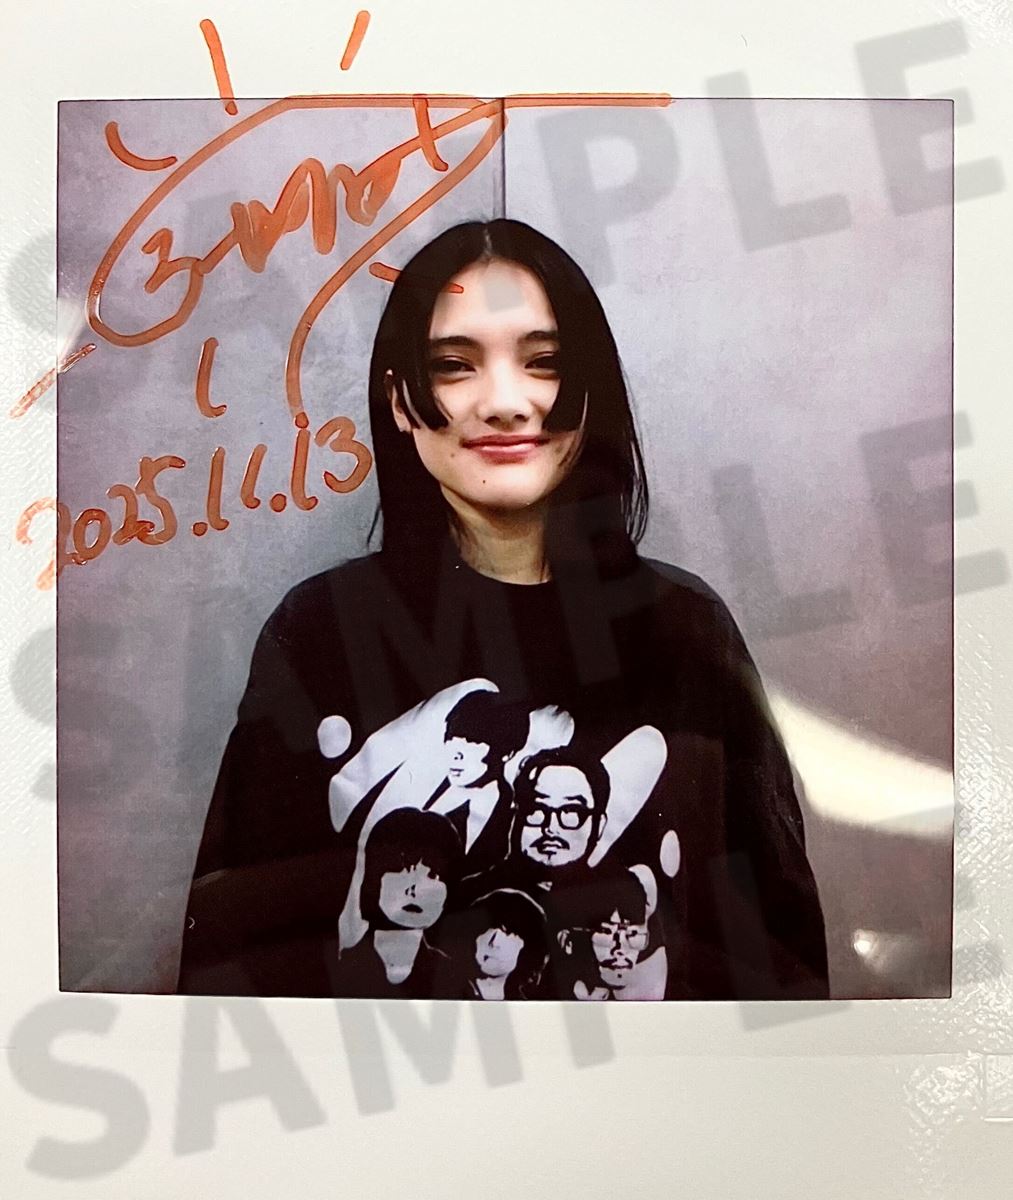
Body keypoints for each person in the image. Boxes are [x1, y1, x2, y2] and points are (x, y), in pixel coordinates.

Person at [177, 218, 829, 1000]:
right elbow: (237, 958)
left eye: (543, 362)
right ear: (400, 401)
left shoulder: (683, 628)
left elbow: (772, 953)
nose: (504, 403)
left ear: (589, 393)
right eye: (454, 366)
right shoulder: (321, 630)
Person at [326, 808, 461, 999]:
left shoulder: (452, 977)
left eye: (432, 875)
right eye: (402, 870)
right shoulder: (340, 963)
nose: (414, 889)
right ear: (373, 875)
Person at [435, 888, 548, 1000]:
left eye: (509, 933)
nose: (494, 942)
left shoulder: (525, 1007)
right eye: (488, 928)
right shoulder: (445, 989)